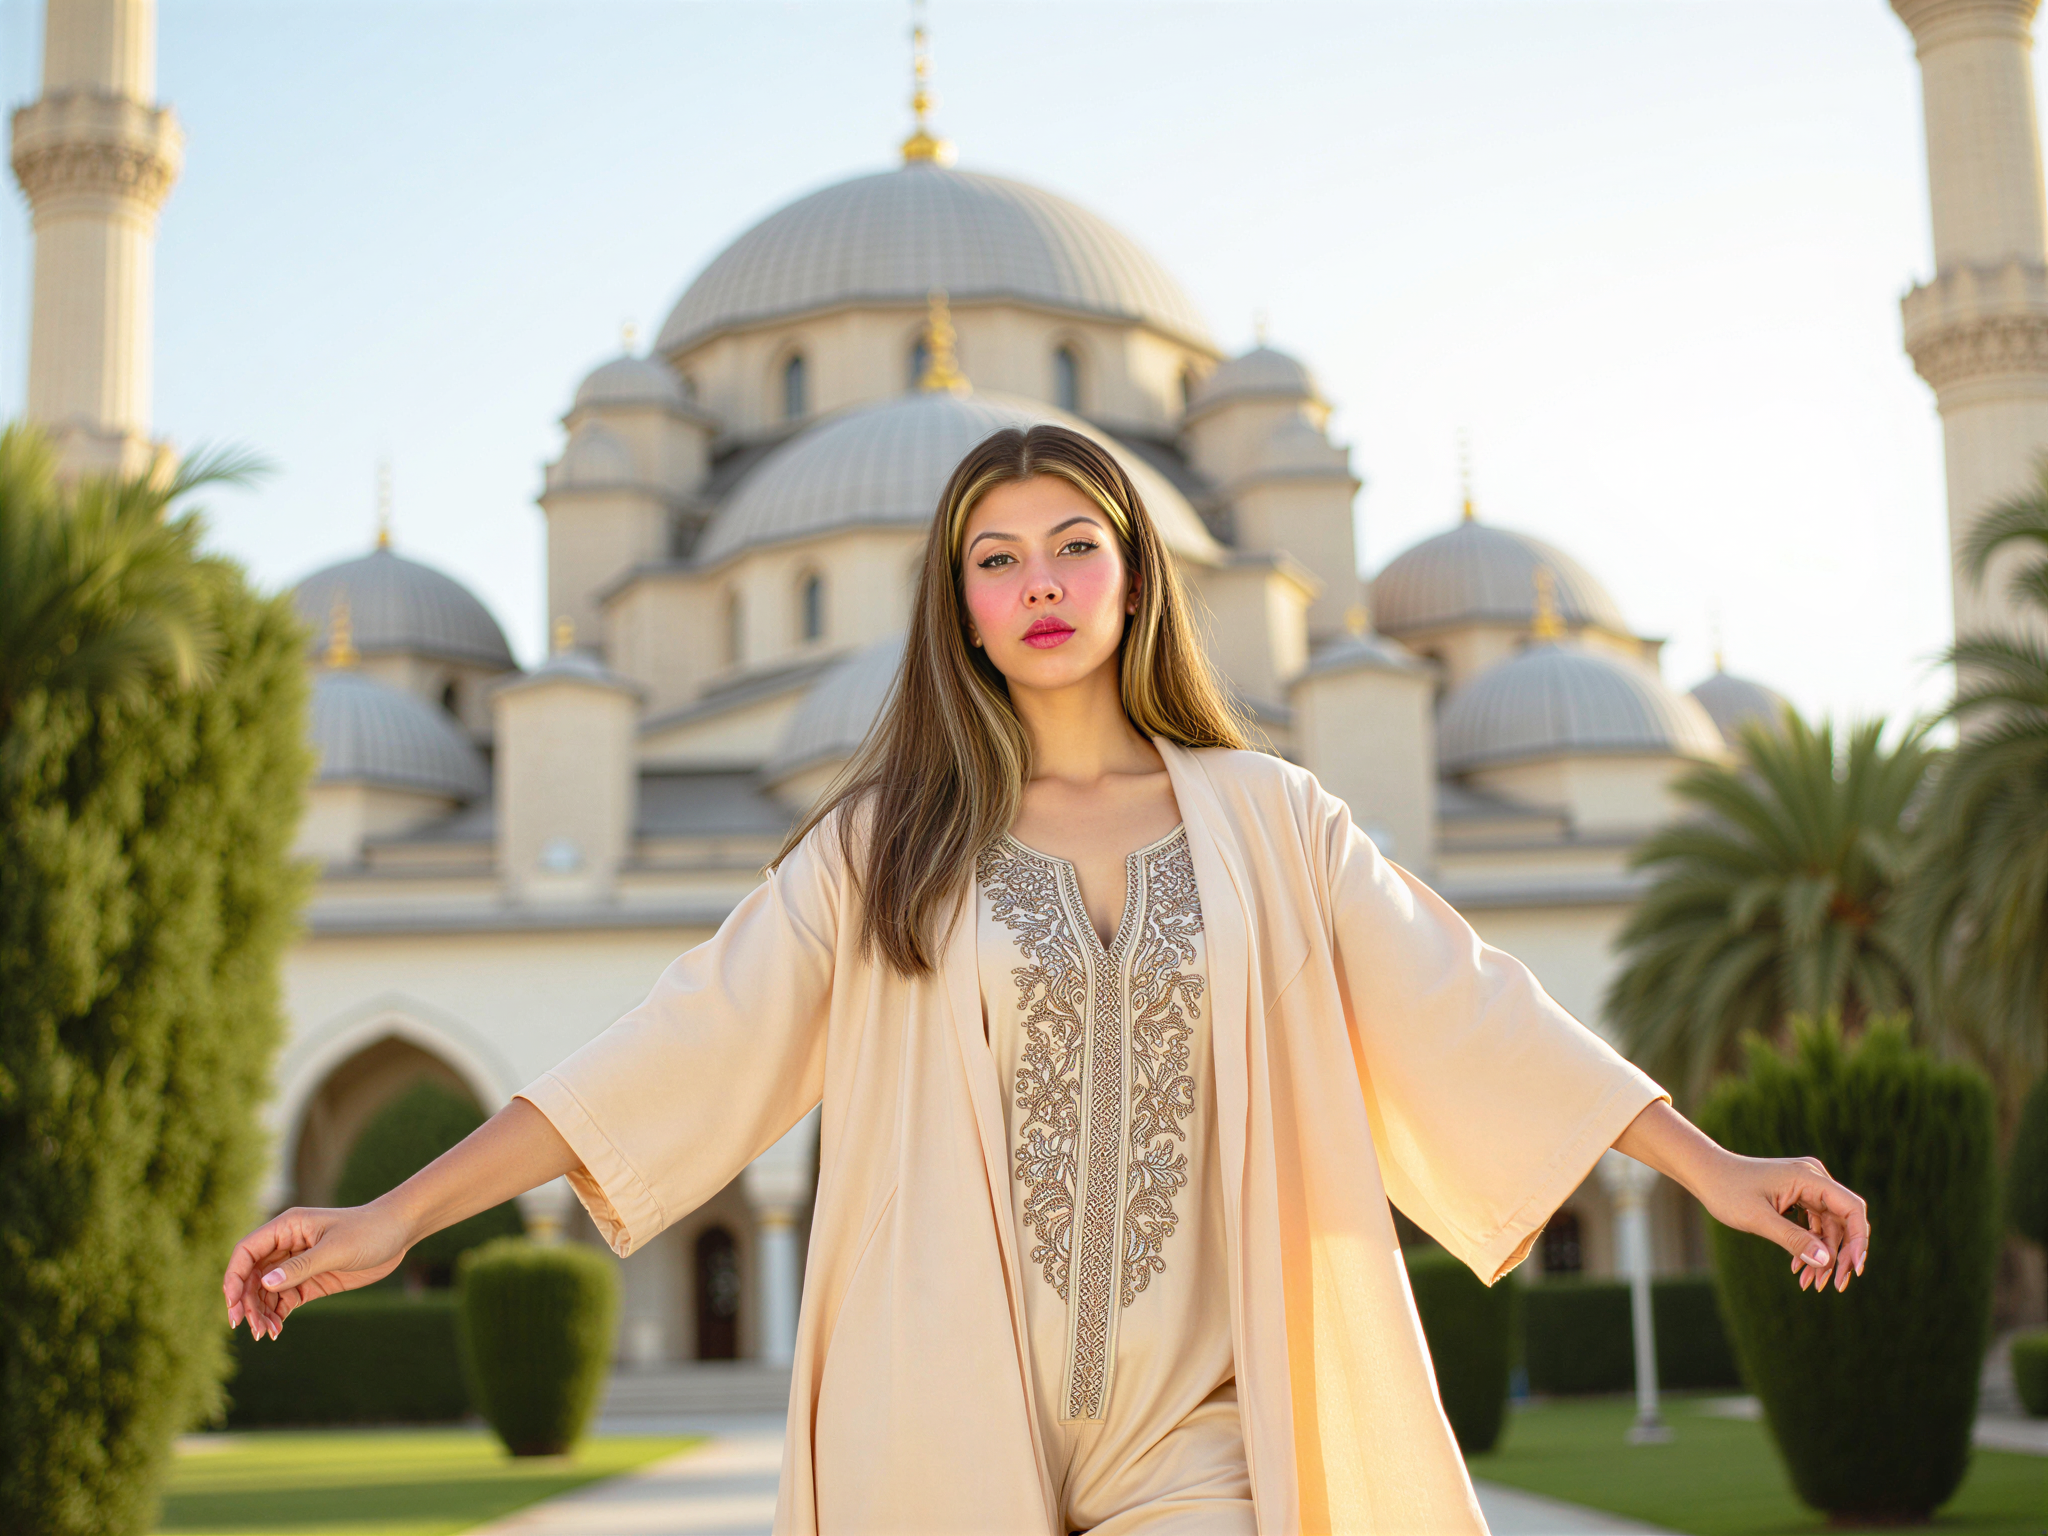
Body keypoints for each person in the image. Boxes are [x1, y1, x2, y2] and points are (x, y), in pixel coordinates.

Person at [224, 424, 1869, 1535]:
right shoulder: (891, 841)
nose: (1041, 586)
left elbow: (1473, 1005)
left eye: (1074, 548)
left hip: (1197, 1435)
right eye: (997, 561)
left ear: (1137, 575)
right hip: (930, 1413)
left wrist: (1708, 1168)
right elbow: (669, 1053)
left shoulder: (1270, 821)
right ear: (960, 607)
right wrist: (389, 1220)